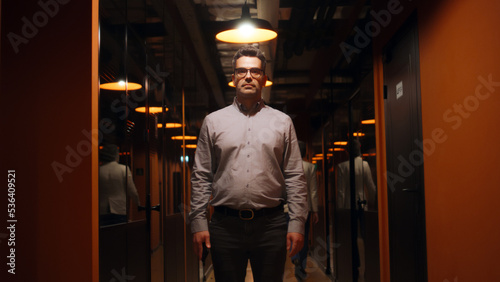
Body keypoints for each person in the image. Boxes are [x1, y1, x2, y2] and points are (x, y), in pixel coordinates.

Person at [189, 45, 308, 281]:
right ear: (233, 78)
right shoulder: (213, 122)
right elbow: (202, 175)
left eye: (255, 71)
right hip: (224, 226)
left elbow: (295, 175)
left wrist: (297, 223)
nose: (248, 76)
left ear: (264, 78)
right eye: (242, 71)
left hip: (271, 225)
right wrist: (198, 222)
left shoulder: (282, 122)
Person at [336, 139, 376, 281]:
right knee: (364, 234)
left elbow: (341, 191)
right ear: (358, 149)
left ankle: (355, 261)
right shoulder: (364, 164)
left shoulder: (342, 167)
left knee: (351, 235)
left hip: (348, 205)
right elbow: (370, 186)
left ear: (347, 151)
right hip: (363, 203)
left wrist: (341, 210)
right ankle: (368, 262)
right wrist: (374, 201)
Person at [292, 141, 319, 280]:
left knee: (291, 234)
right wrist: (315, 210)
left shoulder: (288, 167)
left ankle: (294, 257)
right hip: (305, 208)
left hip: (289, 208)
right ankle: (300, 267)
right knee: (304, 236)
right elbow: (313, 190)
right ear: (305, 153)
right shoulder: (309, 167)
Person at [99, 143, 140, 226]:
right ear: (115, 155)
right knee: (119, 235)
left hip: (101, 209)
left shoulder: (98, 170)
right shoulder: (123, 169)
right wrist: (138, 203)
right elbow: (132, 190)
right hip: (119, 208)